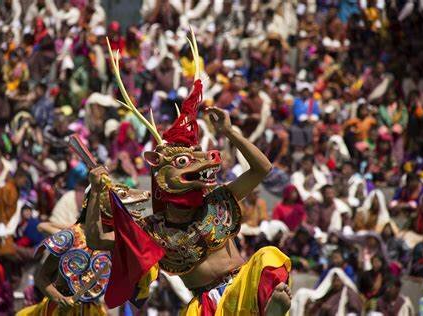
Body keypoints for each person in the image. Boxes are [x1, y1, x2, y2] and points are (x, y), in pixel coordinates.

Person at [85, 39, 292, 315]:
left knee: (267, 256)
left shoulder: (218, 200)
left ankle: (267, 307)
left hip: (241, 289)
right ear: (161, 174)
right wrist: (98, 191)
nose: (201, 162)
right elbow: (97, 239)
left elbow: (262, 169)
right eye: (184, 162)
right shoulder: (153, 230)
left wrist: (230, 132)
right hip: (205, 305)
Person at [291, 268, 363, 316]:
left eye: (338, 280)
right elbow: (319, 304)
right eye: (334, 281)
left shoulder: (349, 292)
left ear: (342, 280)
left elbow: (354, 310)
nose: (336, 283)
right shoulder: (330, 292)